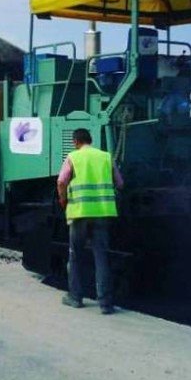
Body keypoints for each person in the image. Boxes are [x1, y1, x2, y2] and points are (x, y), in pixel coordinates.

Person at [56, 128, 123, 314]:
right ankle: (105, 304)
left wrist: (63, 199)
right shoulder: (106, 157)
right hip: (102, 214)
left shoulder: (73, 157)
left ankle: (75, 298)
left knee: (76, 257)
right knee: (101, 257)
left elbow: (61, 181)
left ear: (76, 142)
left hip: (80, 214)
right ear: (90, 140)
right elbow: (120, 183)